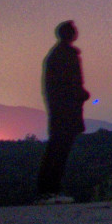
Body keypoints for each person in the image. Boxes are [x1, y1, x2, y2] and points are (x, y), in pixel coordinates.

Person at [36, 20, 89, 200]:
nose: (76, 33)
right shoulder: (64, 55)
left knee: (57, 149)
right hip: (64, 112)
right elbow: (67, 84)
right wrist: (80, 94)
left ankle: (48, 190)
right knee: (59, 150)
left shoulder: (57, 55)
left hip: (62, 111)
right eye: (74, 30)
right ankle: (50, 190)